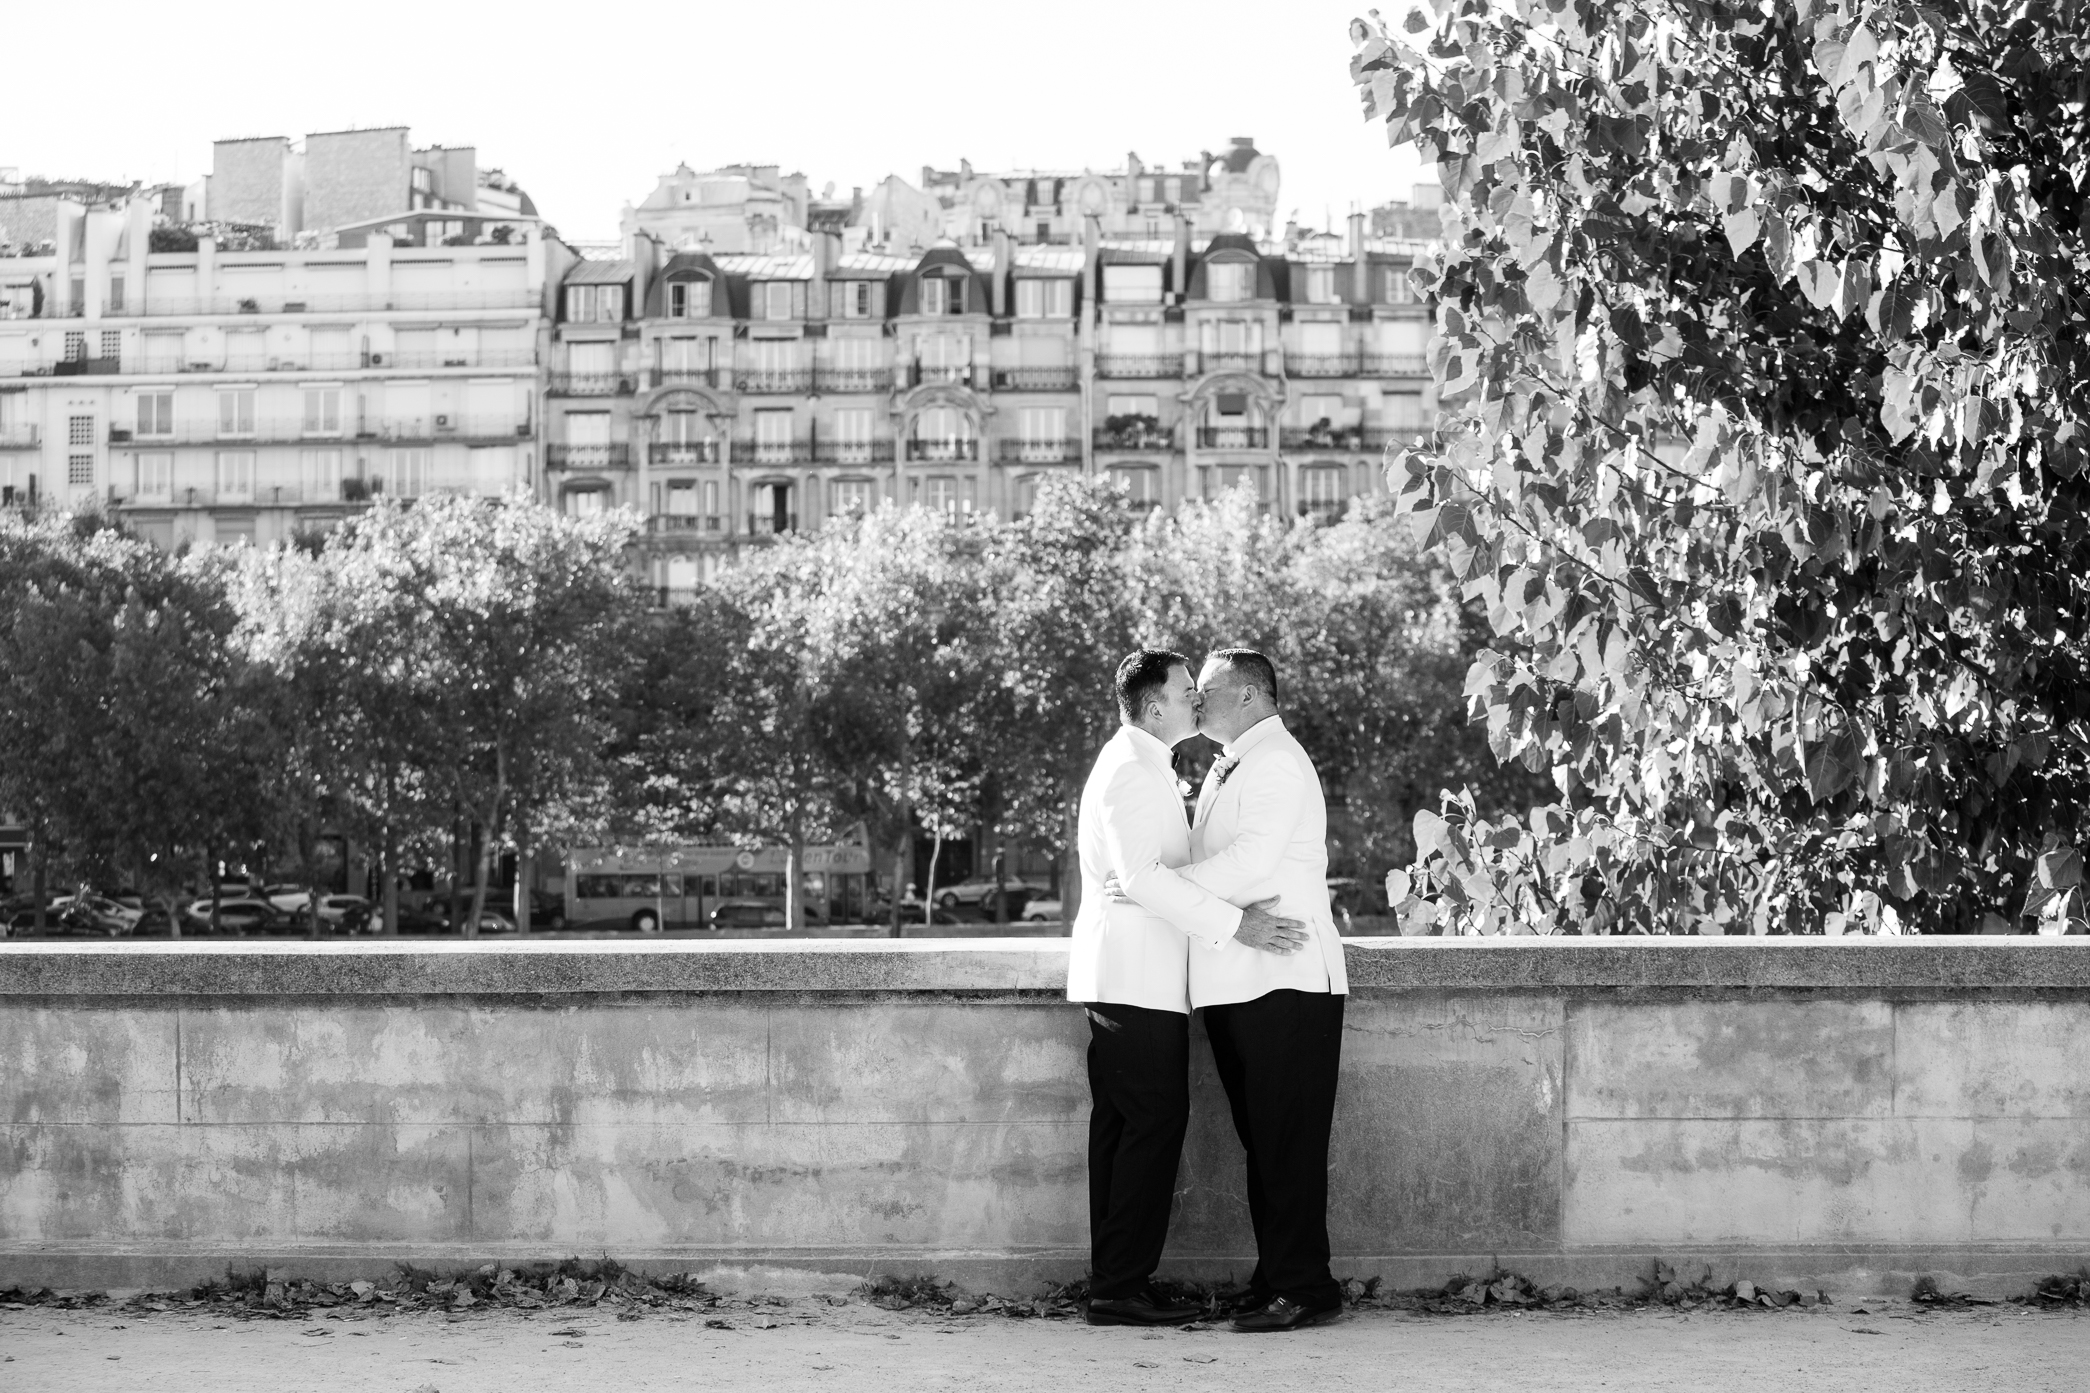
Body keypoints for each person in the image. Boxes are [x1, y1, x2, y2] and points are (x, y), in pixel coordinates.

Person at [1066, 649, 1309, 1328]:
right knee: (1148, 1125)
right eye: (1184, 692)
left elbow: (1151, 877)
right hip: (1133, 978)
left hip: (1138, 977)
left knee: (1128, 1130)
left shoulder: (1143, 766)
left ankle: (1119, 1281)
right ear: (1154, 708)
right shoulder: (1131, 772)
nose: (1194, 703)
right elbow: (1142, 879)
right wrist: (1238, 925)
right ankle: (1119, 1285)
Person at [1175, 648, 1349, 1331]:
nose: (1195, 700)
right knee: (1266, 1140)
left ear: (1249, 695)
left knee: (1288, 1142)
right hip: (1245, 982)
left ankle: (1307, 1286)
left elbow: (1251, 860)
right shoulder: (1236, 760)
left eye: (1206, 690)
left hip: (1289, 981)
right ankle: (1278, 1272)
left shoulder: (1278, 760)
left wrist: (1163, 890)